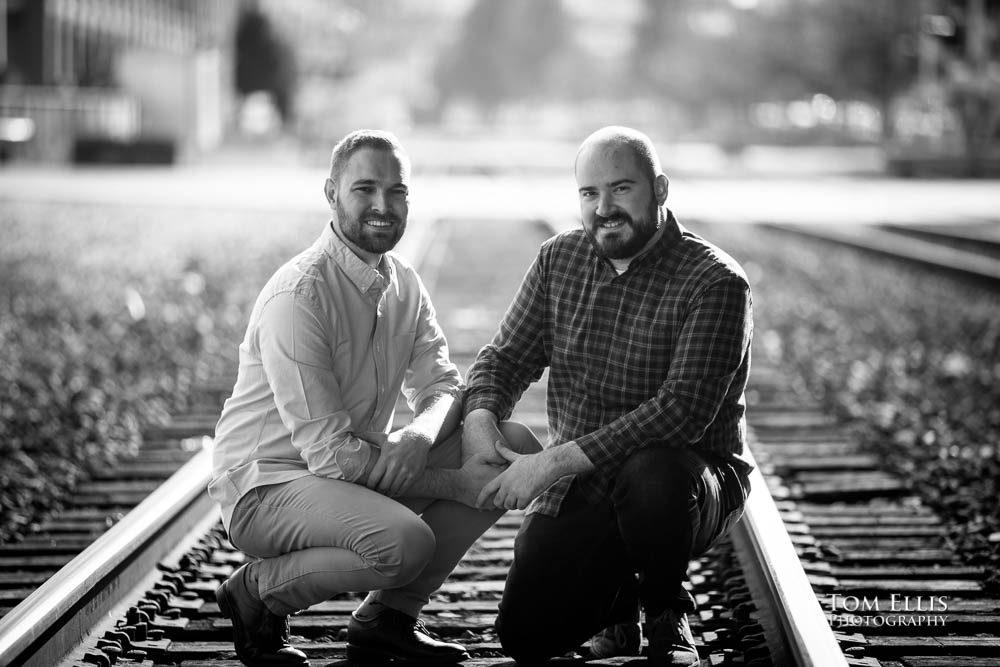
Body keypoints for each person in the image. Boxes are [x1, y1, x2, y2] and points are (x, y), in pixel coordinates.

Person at [208, 129, 534, 667]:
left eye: (397, 191)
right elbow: (331, 456)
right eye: (365, 189)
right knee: (405, 543)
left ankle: (387, 617)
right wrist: (453, 482)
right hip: (267, 486)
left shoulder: (402, 282)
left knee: (508, 443)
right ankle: (257, 591)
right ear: (332, 193)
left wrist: (419, 432)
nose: (383, 205)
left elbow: (443, 384)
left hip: (343, 474)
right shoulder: (300, 296)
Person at [462, 126, 754, 667]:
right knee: (525, 638)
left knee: (652, 473)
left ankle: (665, 607)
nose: (604, 208)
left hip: (687, 484)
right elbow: (505, 359)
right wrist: (481, 423)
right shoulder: (559, 260)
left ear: (660, 190)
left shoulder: (715, 282)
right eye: (589, 194)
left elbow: (682, 412)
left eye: (621, 189)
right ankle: (619, 610)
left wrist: (551, 463)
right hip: (589, 483)